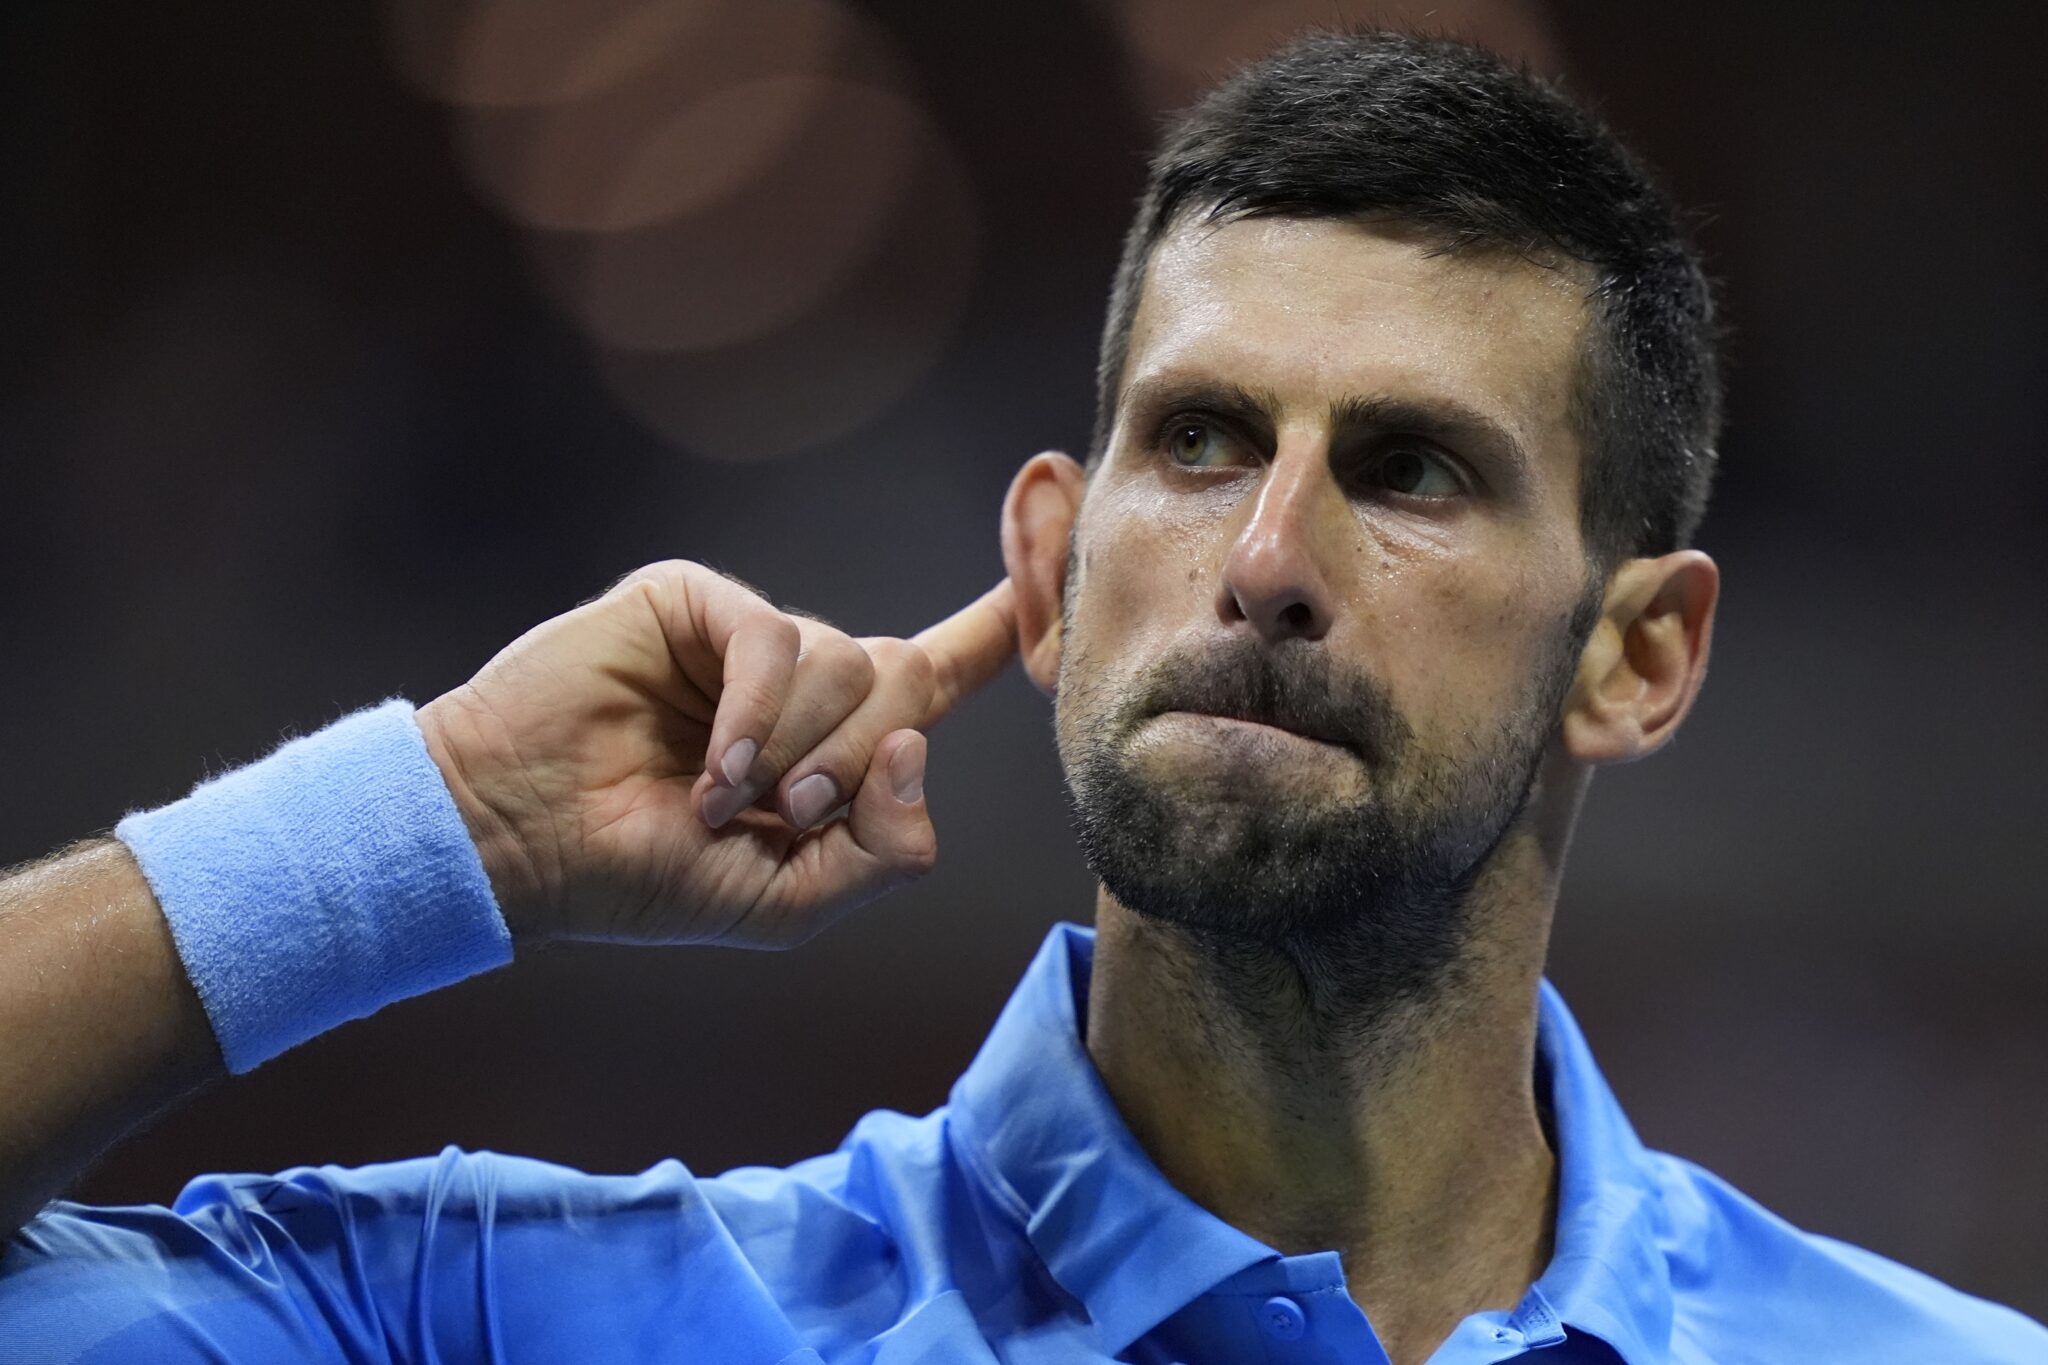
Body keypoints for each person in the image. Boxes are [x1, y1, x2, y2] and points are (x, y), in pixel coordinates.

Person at [0, 28, 2040, 1365]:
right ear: (1052, 566)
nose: (1266, 553)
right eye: (1200, 439)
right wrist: (443, 819)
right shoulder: (510, 1316)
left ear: (1636, 653)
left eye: (1412, 468)